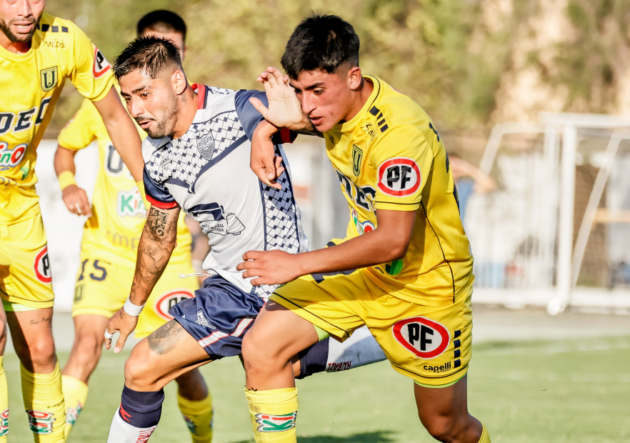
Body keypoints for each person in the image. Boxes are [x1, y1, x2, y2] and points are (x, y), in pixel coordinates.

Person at [102, 36, 387, 442]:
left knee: (142, 368)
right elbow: (158, 235)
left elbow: (322, 120)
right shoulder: (157, 156)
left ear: (178, 81)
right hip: (227, 283)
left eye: (145, 94)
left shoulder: (238, 111)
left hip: (267, 282)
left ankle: (383, 335)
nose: (136, 110)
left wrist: (271, 126)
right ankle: (384, 338)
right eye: (128, 98)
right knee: (276, 364)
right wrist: (132, 308)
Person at [238, 14, 491, 443]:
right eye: (300, 91)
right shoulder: (337, 108)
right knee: (262, 347)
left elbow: (394, 240)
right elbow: (314, 122)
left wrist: (294, 265)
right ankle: (373, 339)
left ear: (353, 76)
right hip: (360, 269)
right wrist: (267, 131)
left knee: (446, 425)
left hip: (425, 287)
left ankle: (380, 342)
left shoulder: (400, 134)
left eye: (317, 90)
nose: (309, 104)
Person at [54, 11, 214, 442]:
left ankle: (204, 438)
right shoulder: (105, 105)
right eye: (151, 45)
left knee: (180, 370)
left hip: (167, 258)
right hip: (105, 252)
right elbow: (63, 151)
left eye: (172, 49)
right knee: (84, 347)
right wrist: (69, 186)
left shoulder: (196, 115)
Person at [0, 0, 143, 440]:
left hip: (21, 209)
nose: (25, 9)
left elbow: (116, 116)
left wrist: (152, 190)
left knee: (41, 351)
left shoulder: (65, 41)